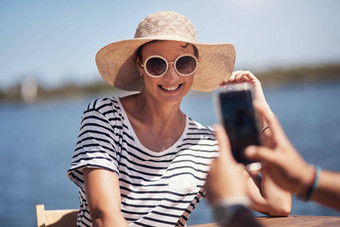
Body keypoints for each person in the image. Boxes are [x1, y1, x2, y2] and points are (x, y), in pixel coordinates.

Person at [67, 11, 290, 227]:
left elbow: (278, 203)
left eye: (183, 63)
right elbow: (104, 218)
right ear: (140, 64)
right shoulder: (104, 117)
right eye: (157, 64)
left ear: (195, 65)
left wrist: (262, 114)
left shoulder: (206, 144)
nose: (172, 76)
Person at [206, 99, 340, 226]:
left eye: (187, 72)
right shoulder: (210, 146)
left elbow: (278, 205)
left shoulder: (207, 144)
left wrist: (264, 119)